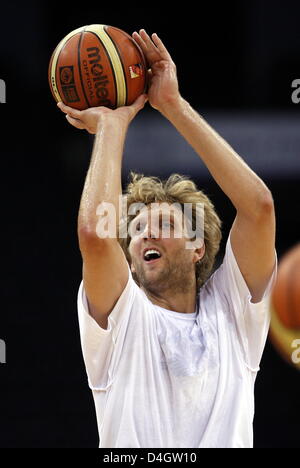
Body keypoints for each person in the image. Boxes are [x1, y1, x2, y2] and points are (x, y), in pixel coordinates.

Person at [57, 29, 277, 448]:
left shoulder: (234, 314)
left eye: (163, 225)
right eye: (136, 228)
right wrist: (111, 125)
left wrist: (173, 106)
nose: (144, 235)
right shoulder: (123, 321)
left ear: (198, 247)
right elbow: (95, 235)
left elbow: (259, 208)